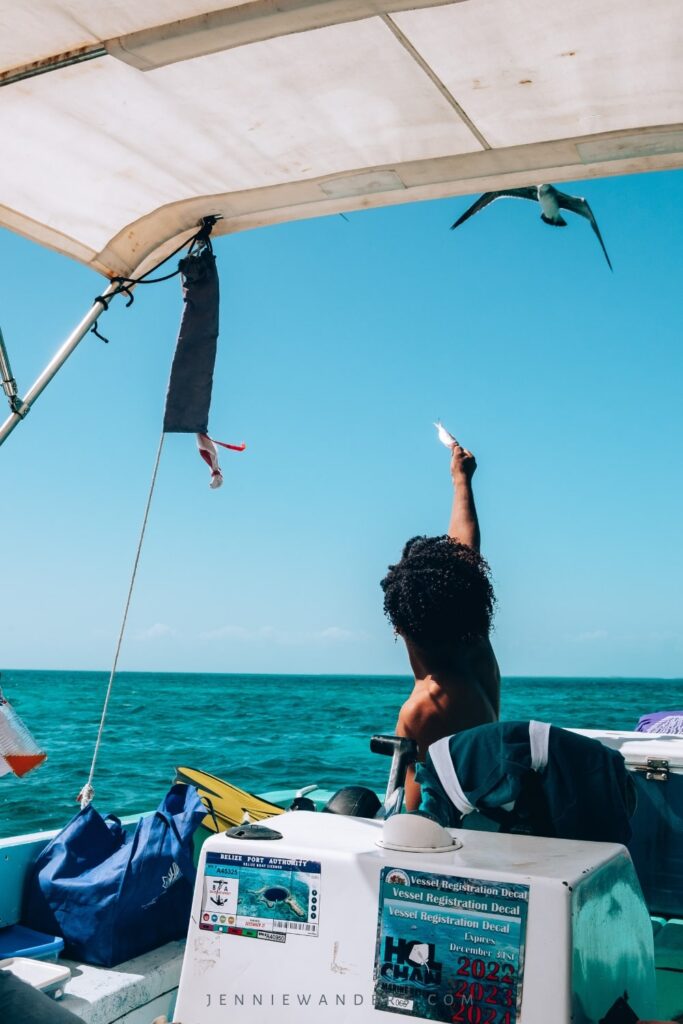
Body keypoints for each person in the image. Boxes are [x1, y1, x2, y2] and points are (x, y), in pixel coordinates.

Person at [381, 443, 500, 810]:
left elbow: (407, 813)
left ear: (399, 627)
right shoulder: (474, 653)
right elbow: (465, 556)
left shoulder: (424, 707)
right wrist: (461, 480)